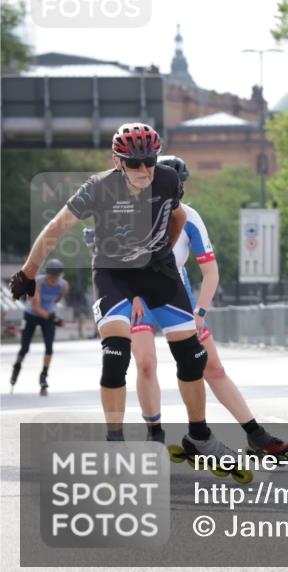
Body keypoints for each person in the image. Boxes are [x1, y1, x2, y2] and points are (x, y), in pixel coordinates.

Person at [7, 123, 235, 464]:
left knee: (192, 356)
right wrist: (28, 272)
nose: (144, 170)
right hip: (115, 274)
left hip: (158, 271)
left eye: (150, 161)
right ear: (118, 161)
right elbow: (55, 228)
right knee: (115, 355)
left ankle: (199, 435)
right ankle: (115, 443)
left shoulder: (168, 180)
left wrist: (164, 251)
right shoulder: (97, 188)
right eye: (134, 163)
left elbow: (178, 216)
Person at [114, 155, 288, 456]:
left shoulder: (190, 217)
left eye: (179, 185)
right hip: (138, 294)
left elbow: (211, 272)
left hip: (174, 293)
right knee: (145, 363)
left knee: (213, 367)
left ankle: (255, 434)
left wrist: (200, 313)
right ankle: (154, 433)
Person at [9, 259, 69, 395]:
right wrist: (52, 317)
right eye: (51, 277)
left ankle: (43, 376)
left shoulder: (64, 286)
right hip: (32, 315)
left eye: (56, 278)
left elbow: (57, 300)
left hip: (47, 315)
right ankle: (16, 369)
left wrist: (51, 313)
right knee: (25, 348)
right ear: (46, 274)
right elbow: (35, 306)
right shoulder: (37, 282)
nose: (53, 281)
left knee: (49, 348)